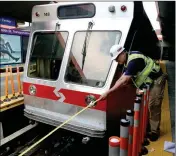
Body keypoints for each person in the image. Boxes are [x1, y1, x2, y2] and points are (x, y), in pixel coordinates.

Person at [98, 44, 167, 141]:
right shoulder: (128, 60)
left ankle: (154, 131)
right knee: (147, 104)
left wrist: (108, 93)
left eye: (117, 58)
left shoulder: (133, 61)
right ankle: (149, 126)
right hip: (149, 81)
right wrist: (107, 91)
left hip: (157, 80)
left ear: (122, 53)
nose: (116, 61)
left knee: (153, 105)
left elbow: (124, 80)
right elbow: (121, 78)